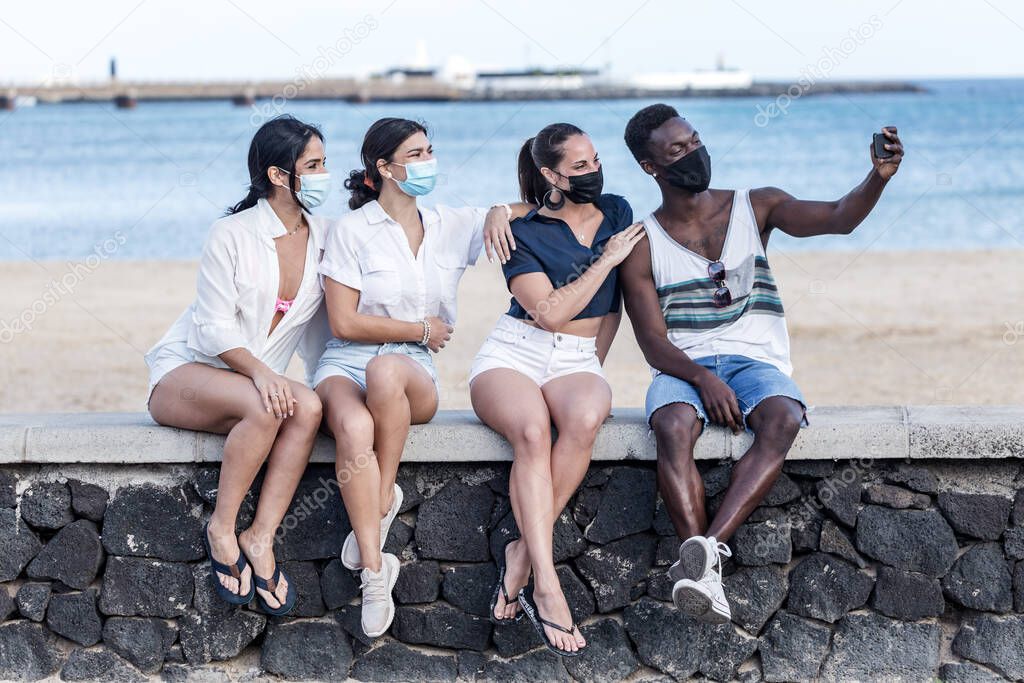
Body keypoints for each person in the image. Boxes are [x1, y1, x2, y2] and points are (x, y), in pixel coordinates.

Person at [619, 104, 903, 624]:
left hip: (756, 361)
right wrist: (702, 379)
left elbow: (839, 218)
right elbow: (652, 342)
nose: (694, 154)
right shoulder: (643, 243)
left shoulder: (758, 205)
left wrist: (876, 178)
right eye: (677, 150)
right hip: (683, 366)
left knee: (784, 417)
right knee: (674, 423)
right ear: (649, 167)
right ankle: (703, 567)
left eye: (695, 140)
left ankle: (704, 559)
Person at [314, 117, 530, 638]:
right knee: (353, 426)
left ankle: (383, 497)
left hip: (413, 371)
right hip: (345, 360)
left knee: (387, 369)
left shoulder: (451, 224)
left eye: (430, 150)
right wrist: (418, 327)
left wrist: (500, 209)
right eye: (415, 154)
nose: (428, 161)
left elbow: (534, 209)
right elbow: (343, 322)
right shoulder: (351, 231)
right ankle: (374, 569)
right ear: (383, 168)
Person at [145, 115, 335, 616]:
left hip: (253, 384)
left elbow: (318, 333)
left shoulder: (325, 238)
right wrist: (264, 373)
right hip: (185, 373)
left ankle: (260, 537)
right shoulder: (230, 233)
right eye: (312, 165)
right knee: (270, 406)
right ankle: (222, 528)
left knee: (311, 406)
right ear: (279, 175)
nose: (323, 175)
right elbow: (210, 329)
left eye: (324, 164)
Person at [469, 123, 645, 656]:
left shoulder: (617, 211)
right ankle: (546, 585)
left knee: (588, 414)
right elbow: (549, 313)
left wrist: (593, 363)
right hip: (515, 351)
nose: (592, 172)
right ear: (550, 175)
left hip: (576, 357)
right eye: (578, 167)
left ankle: (521, 553)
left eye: (594, 161)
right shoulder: (520, 234)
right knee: (530, 431)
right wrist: (607, 258)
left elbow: (611, 308)